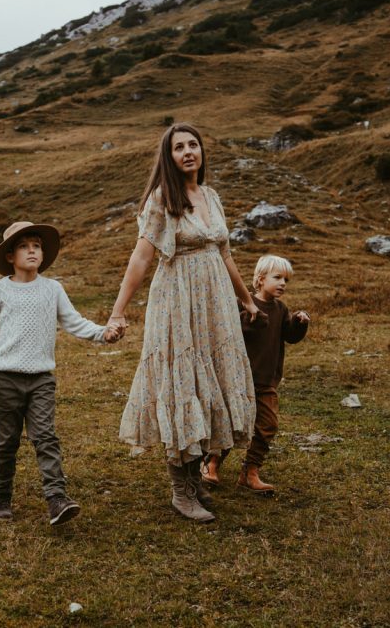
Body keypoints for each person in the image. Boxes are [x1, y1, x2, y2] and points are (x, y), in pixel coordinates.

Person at [107, 123, 260, 523]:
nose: (188, 152)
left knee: (209, 384)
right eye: (179, 147)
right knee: (183, 384)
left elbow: (225, 254)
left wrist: (246, 299)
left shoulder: (211, 196)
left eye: (194, 145)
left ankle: (194, 484)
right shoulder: (162, 198)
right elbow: (141, 258)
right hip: (177, 301)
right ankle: (181, 491)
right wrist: (118, 311)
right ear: (169, 157)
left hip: (216, 307)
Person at [0, 221, 123, 525]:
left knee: (46, 437)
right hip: (5, 379)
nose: (31, 251)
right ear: (11, 256)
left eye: (36, 246)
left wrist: (104, 333)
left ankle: (56, 499)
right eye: (24, 246)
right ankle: (1, 498)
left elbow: (74, 321)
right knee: (6, 442)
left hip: (41, 379)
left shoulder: (52, 289)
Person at [202, 255, 310, 494]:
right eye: (277, 277)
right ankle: (211, 463)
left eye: (286, 280)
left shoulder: (281, 309)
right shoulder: (244, 303)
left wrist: (299, 323)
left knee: (267, 425)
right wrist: (253, 319)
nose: (283, 283)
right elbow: (232, 329)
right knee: (231, 424)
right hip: (238, 379)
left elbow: (290, 336)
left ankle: (250, 472)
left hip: (266, 380)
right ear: (260, 280)